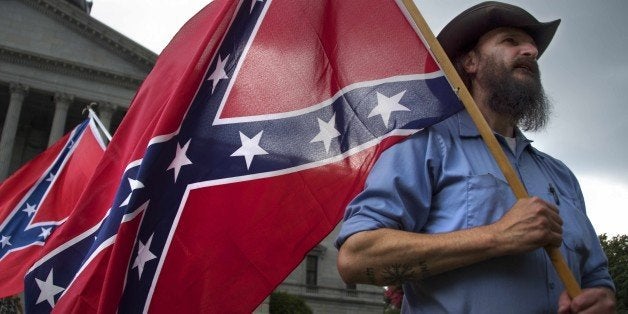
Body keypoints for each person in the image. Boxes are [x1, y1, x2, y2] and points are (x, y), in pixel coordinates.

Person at [335, 2, 617, 313]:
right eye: (510, 41)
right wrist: (496, 237)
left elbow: (596, 275)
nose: (530, 52)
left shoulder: (561, 176)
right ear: (471, 62)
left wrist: (602, 296)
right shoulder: (425, 146)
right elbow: (357, 258)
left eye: (532, 47)